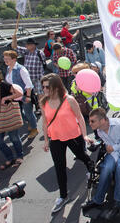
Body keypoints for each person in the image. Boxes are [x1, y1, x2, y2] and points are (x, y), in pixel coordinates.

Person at [40, 73, 95, 214]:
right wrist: (46, 140)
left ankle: (92, 169)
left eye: (47, 87)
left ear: (56, 87)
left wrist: (84, 135)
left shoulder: (69, 100)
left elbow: (80, 117)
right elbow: (45, 122)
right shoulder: (43, 102)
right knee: (59, 167)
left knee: (82, 156)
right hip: (56, 139)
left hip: (72, 135)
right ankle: (63, 196)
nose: (44, 89)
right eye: (43, 86)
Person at [82, 108, 120, 219]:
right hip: (114, 151)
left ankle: (118, 201)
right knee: (106, 168)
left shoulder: (119, 125)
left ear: (102, 121)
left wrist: (114, 148)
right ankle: (98, 200)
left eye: (93, 121)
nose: (90, 123)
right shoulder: (99, 131)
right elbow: (107, 145)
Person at [3, 50, 38, 139]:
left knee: (28, 112)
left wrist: (28, 96)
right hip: (14, 95)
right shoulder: (8, 68)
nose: (5, 60)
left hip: (24, 95)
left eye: (8, 59)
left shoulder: (21, 69)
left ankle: (34, 129)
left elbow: (28, 84)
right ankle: (29, 122)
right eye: (4, 58)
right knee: (20, 114)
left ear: (14, 59)